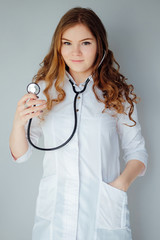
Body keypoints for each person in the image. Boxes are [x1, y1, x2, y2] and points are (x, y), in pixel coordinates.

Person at [9, 7, 148, 240]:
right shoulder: (44, 90)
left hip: (102, 213)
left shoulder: (115, 94)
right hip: (55, 216)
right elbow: (21, 155)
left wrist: (119, 186)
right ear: (58, 46)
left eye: (85, 43)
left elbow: (139, 153)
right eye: (67, 43)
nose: (75, 52)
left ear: (99, 46)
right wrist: (17, 122)